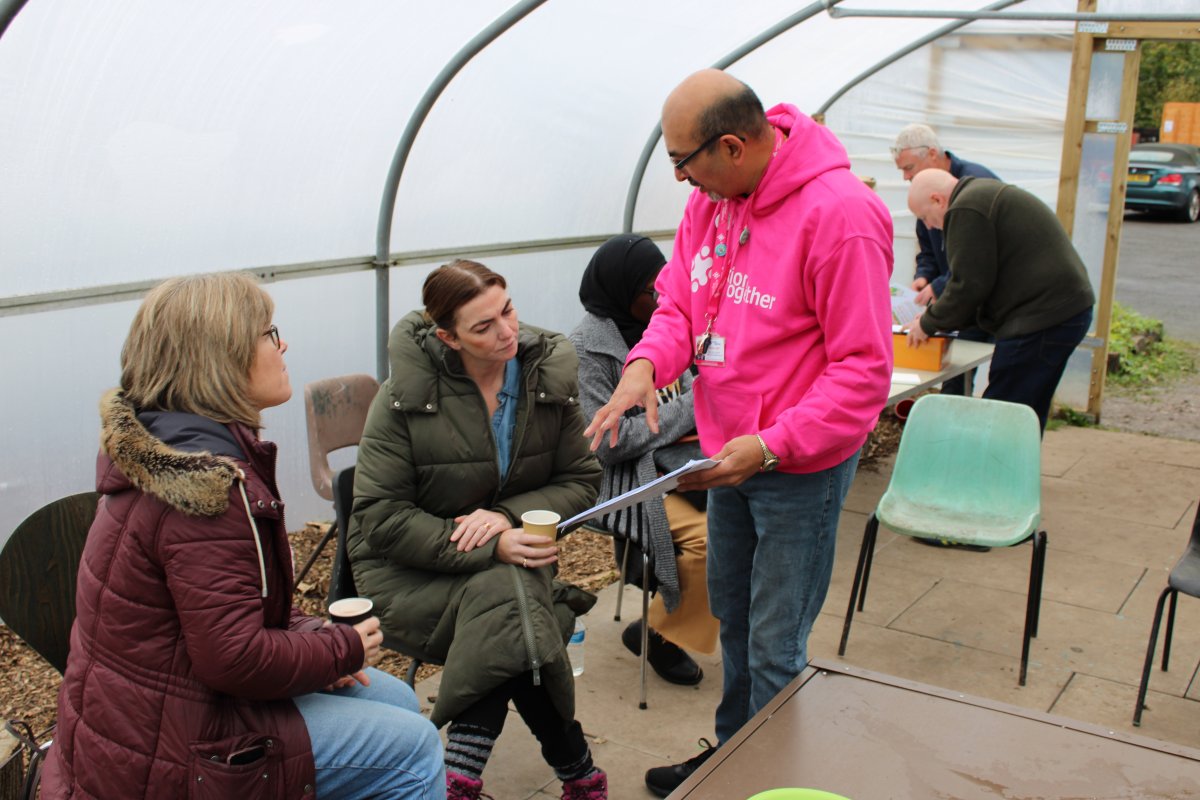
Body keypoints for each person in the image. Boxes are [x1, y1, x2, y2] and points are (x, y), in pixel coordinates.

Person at [583, 70, 894, 797]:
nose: (679, 179)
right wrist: (644, 366)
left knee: (776, 642)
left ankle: (771, 783)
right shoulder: (711, 202)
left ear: (730, 146)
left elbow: (862, 371)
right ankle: (732, 760)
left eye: (682, 161)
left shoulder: (841, 215)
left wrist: (773, 444)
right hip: (727, 457)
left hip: (797, 468)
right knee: (733, 621)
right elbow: (679, 307)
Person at [42, 273, 444, 800]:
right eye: (269, 333)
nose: (284, 345)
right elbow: (233, 659)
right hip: (173, 751)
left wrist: (315, 639)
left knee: (396, 700)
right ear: (221, 357)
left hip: (151, 715)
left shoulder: (170, 449)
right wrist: (340, 649)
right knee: (414, 748)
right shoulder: (203, 493)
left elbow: (226, 616)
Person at [348, 260, 607, 800]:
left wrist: (507, 518)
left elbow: (581, 480)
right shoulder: (403, 397)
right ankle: (576, 775)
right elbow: (380, 517)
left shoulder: (544, 379)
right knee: (519, 612)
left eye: (508, 311)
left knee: (509, 606)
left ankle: (459, 780)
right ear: (448, 337)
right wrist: (493, 544)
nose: (507, 331)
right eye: (484, 327)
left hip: (513, 566)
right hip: (410, 568)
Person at [568, 234, 719, 687]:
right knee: (711, 537)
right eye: (652, 290)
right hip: (622, 478)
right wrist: (694, 404)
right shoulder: (585, 350)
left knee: (748, 513)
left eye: (665, 285)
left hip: (680, 461)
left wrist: (693, 404)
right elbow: (608, 443)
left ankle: (672, 617)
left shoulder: (663, 330)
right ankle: (661, 634)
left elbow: (693, 391)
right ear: (621, 289)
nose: (661, 298)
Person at [905, 169, 1096, 432]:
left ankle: (994, 460)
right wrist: (941, 318)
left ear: (938, 200)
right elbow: (982, 280)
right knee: (1026, 411)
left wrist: (928, 323)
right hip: (1064, 309)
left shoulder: (964, 208)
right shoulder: (980, 194)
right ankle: (1020, 458)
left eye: (925, 217)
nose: (929, 227)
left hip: (1041, 316)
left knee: (1001, 414)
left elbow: (968, 285)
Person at [892, 122, 1000, 397]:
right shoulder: (925, 193)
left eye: (909, 168)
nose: (905, 177)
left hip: (987, 300)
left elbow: (978, 260)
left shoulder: (974, 189)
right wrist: (924, 276)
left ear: (932, 153)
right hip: (962, 301)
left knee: (1002, 379)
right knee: (954, 376)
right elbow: (928, 246)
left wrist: (940, 287)